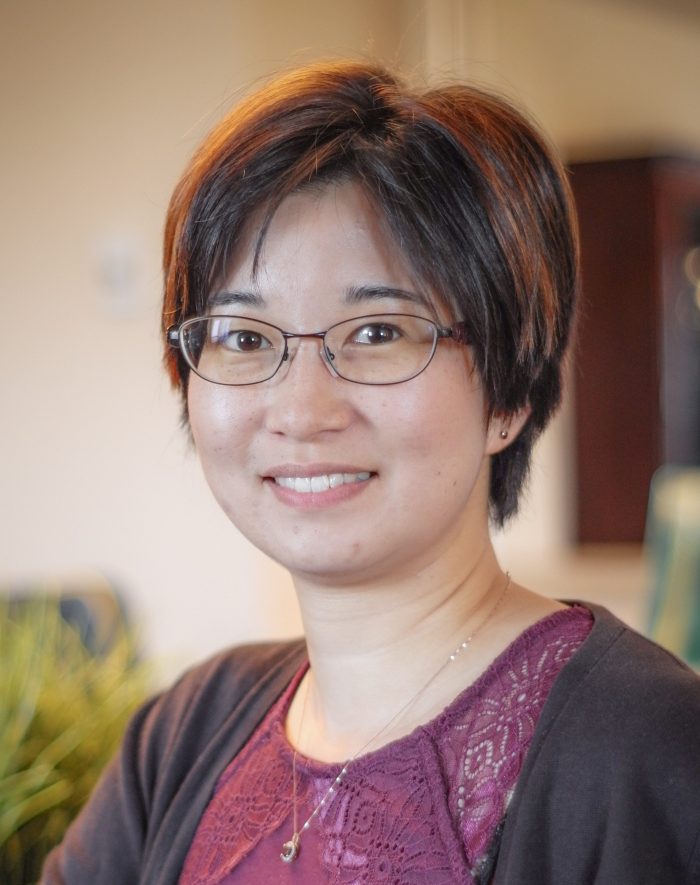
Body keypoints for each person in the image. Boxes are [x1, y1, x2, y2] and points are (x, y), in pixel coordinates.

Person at [42, 60, 700, 884]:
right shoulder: (179, 737)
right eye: (244, 338)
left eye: (379, 330)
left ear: (509, 391)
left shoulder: (653, 753)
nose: (302, 409)